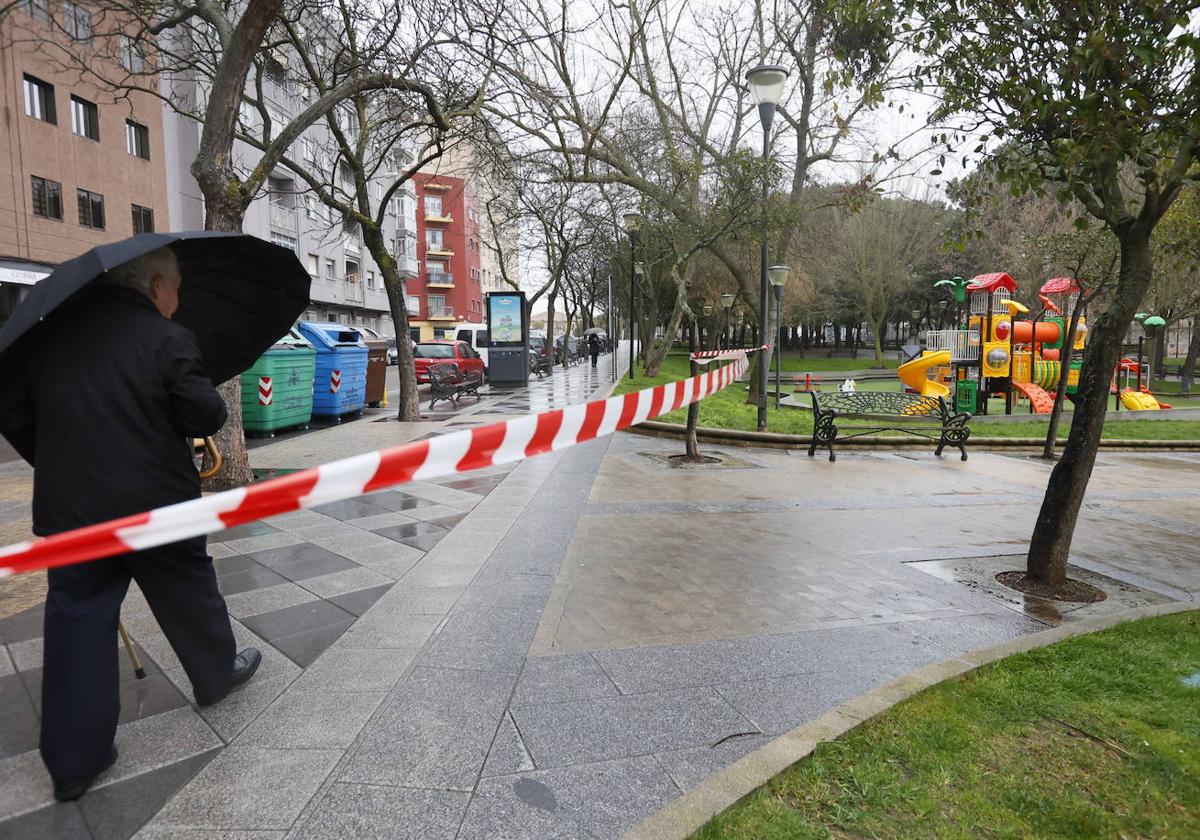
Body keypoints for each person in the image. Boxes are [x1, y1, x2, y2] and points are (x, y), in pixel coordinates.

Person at [1, 247, 260, 802]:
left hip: (73, 510)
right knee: (189, 590)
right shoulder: (165, 337)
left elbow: (17, 415)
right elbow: (206, 414)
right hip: (157, 502)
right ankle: (215, 675)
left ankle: (75, 762)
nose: (178, 299)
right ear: (157, 284)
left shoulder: (46, 340)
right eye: (177, 288)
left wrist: (59, 462)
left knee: (77, 621)